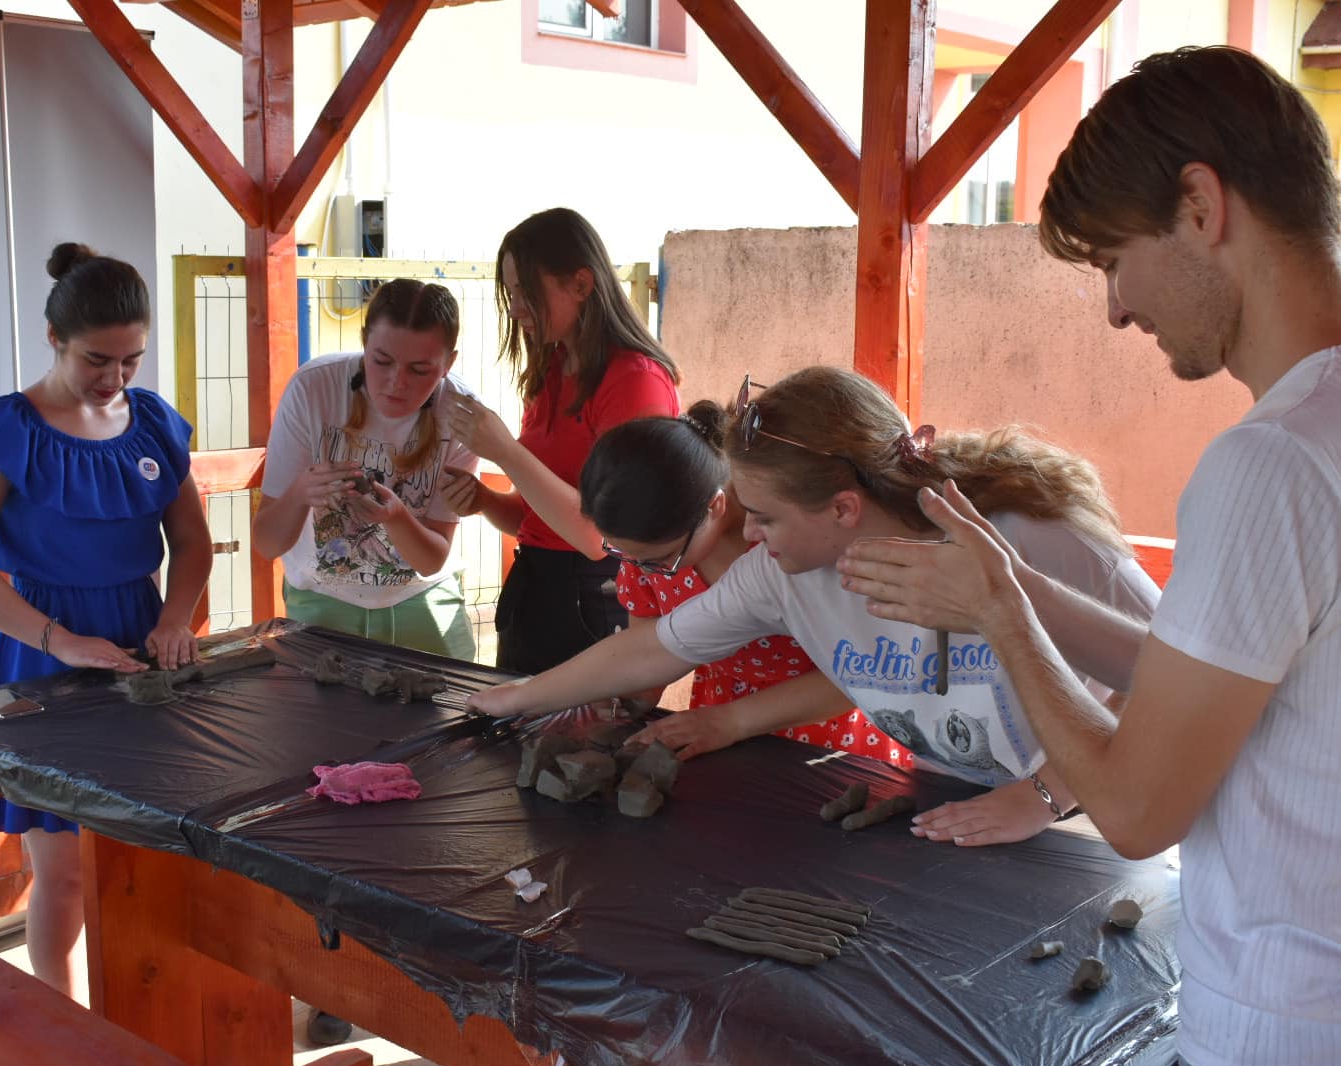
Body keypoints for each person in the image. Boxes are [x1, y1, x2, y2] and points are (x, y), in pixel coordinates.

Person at [834, 47, 1341, 1066]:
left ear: (1200, 207)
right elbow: (1240, 679)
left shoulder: (1274, 464)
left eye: (1115, 258)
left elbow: (1137, 808)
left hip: (1283, 1035)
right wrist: (1019, 588)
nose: (1115, 307)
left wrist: (1003, 619)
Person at [470, 366, 1158, 846]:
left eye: (765, 516)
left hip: (1089, 819)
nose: (748, 534)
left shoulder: (1030, 537)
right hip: (950, 800)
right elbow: (654, 647)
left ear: (843, 509)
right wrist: (513, 698)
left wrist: (1044, 796)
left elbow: (1174, 678)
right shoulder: (780, 572)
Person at [0, 242, 211, 999]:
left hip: (142, 644)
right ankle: (62, 1013)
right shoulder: (11, 427)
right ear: (54, 338)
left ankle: (150, 1006)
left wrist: (175, 620)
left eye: (131, 360)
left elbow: (192, 543)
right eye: (97, 359)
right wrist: (59, 641)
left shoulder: (153, 423)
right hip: (41, 648)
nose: (115, 377)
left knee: (151, 849)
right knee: (60, 868)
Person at [578, 399, 906, 766]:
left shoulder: (795, 542)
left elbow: (864, 671)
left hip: (823, 729)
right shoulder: (648, 550)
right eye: (625, 554)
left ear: (713, 507)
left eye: (660, 558)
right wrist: (628, 690)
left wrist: (732, 720)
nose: (644, 568)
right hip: (715, 721)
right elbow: (649, 653)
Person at [438, 208, 680, 674]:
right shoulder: (551, 369)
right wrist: (484, 500)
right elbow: (536, 518)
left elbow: (599, 538)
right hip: (536, 591)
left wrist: (505, 451)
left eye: (525, 290)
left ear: (581, 285)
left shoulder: (635, 380)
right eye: (510, 292)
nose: (515, 308)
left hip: (597, 601)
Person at [252, 278, 479, 660]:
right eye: (382, 361)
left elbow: (430, 561)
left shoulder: (461, 411)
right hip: (322, 601)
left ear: (448, 364)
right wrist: (301, 493)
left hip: (423, 601)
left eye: (420, 370)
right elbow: (267, 543)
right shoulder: (312, 388)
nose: (397, 383)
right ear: (364, 343)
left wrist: (396, 518)